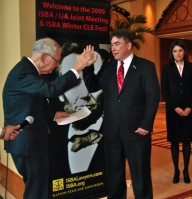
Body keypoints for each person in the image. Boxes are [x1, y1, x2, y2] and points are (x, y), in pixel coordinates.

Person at [2, 37, 96, 199]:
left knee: (38, 188)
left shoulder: (27, 70)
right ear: (45, 56)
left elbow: (31, 102)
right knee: (37, 191)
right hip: (27, 143)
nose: (57, 66)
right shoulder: (23, 73)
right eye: (57, 61)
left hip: (29, 143)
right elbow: (51, 90)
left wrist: (52, 114)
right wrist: (78, 66)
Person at [83, 29, 160, 198]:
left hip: (137, 131)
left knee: (140, 175)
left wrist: (146, 124)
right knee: (115, 175)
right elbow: (93, 86)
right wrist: (87, 66)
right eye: (112, 45)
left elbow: (153, 97)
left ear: (129, 45)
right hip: (112, 132)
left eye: (117, 44)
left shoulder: (145, 66)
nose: (113, 48)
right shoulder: (109, 67)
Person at [161, 40, 192, 184]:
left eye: (180, 50)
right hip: (173, 111)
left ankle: (186, 171)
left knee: (187, 142)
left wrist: (190, 107)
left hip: (189, 110)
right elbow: (164, 91)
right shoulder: (166, 68)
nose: (178, 53)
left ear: (185, 52)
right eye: (175, 51)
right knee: (175, 142)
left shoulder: (191, 67)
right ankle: (176, 170)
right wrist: (175, 107)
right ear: (172, 53)